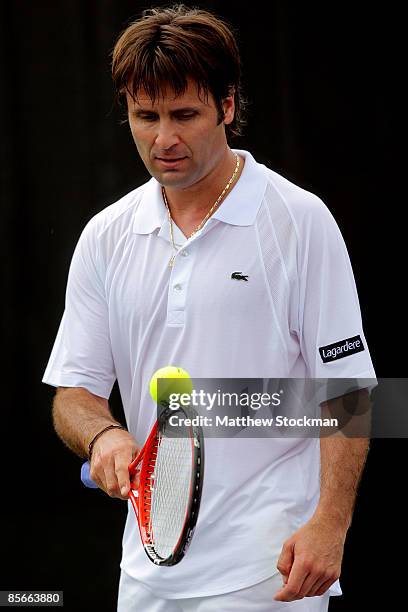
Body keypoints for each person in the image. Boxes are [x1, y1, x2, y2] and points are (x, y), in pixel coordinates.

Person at [43, 5, 376, 611]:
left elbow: (347, 389)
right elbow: (74, 394)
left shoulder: (301, 221)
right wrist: (104, 438)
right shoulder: (105, 235)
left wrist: (331, 525)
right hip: (146, 574)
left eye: (185, 115)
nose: (163, 138)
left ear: (227, 106)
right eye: (146, 117)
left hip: (269, 573)